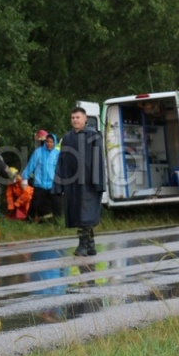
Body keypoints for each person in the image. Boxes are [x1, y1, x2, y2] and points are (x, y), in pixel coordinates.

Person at [52, 107, 105, 256]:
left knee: (85, 213)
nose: (75, 120)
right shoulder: (67, 137)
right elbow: (61, 160)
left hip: (88, 183)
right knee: (78, 213)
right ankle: (90, 244)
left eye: (78, 117)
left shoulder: (93, 136)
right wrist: (59, 183)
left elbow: (97, 160)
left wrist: (97, 182)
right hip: (72, 183)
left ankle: (82, 245)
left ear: (85, 119)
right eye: (72, 118)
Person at [21, 130, 61, 222]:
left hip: (52, 184)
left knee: (56, 204)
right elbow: (31, 165)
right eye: (47, 141)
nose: (49, 144)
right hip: (40, 184)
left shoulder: (57, 154)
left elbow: (61, 169)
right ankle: (29, 221)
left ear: (54, 142)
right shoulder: (38, 152)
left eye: (51, 142)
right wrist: (25, 178)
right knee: (35, 204)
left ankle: (58, 222)